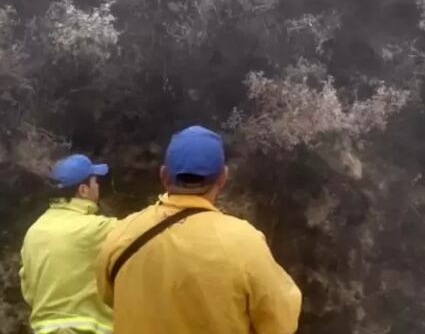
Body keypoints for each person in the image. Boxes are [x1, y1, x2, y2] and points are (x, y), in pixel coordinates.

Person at [96, 125, 302, 334]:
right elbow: (280, 321)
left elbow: (109, 297)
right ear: (222, 178)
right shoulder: (245, 243)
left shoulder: (122, 234)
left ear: (164, 175)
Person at [20, 154, 119, 334]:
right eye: (95, 182)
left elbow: (28, 289)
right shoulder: (96, 229)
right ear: (83, 190)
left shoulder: (33, 233)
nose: (98, 187)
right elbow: (140, 235)